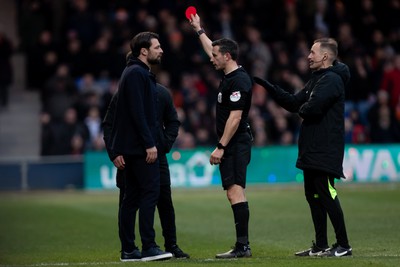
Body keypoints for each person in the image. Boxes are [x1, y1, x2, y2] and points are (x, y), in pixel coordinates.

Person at [254, 38, 352, 257]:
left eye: (312, 52)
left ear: (325, 57)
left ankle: (344, 245)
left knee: (327, 193)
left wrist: (305, 106)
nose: (308, 56)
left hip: (325, 149)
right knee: (313, 195)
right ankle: (321, 245)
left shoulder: (331, 80)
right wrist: (271, 88)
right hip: (312, 148)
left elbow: (310, 109)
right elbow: (293, 102)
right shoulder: (317, 79)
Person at [103, 53, 189, 259]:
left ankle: (171, 245)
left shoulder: (161, 93)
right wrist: (114, 153)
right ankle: (130, 247)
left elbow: (173, 122)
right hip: (130, 155)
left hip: (155, 154)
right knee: (128, 199)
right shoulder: (122, 96)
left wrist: (163, 145)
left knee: (163, 201)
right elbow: (108, 125)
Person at [189, 14, 253, 258]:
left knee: (235, 190)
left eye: (216, 56)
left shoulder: (239, 80)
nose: (211, 58)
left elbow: (235, 118)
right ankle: (242, 245)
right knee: (232, 191)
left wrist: (221, 146)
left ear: (227, 56)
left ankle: (243, 247)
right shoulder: (229, 74)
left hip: (235, 143)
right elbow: (210, 49)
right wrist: (198, 30)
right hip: (232, 143)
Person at [109, 31, 172, 262]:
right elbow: (138, 113)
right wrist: (149, 144)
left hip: (130, 147)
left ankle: (128, 250)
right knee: (149, 193)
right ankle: (148, 246)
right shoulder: (137, 73)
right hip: (139, 147)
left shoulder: (134, 72)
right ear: (144, 51)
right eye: (157, 47)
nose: (161, 50)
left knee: (132, 197)